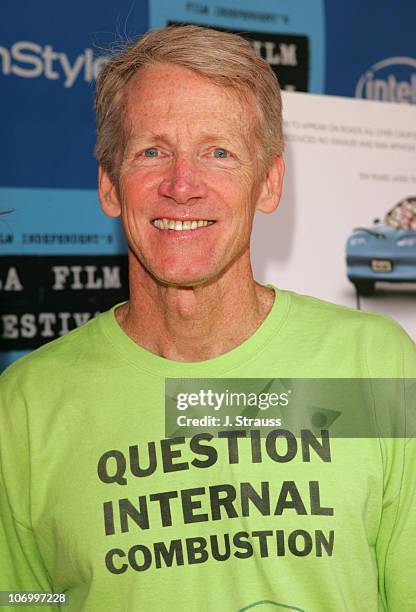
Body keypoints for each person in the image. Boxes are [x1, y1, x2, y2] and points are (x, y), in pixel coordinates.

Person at [1, 25, 415, 612]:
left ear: (269, 182)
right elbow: (20, 600)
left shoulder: (374, 366)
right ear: (109, 186)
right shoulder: (25, 407)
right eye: (152, 151)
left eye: (218, 152)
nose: (182, 186)